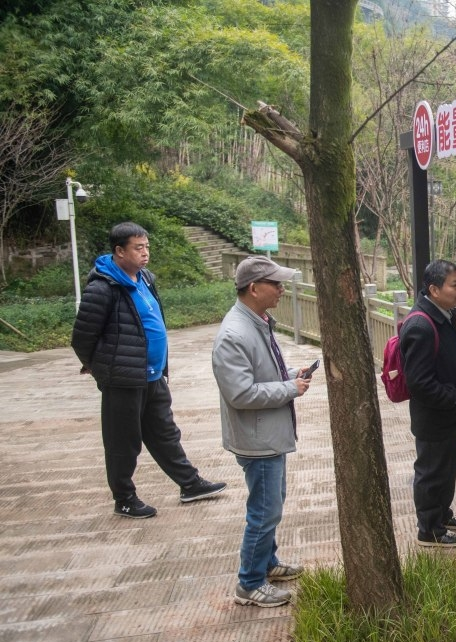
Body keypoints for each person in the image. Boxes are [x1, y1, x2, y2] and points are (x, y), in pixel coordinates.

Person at [71, 222, 226, 519]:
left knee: (165, 433)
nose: (145, 253)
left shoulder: (145, 279)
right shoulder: (103, 288)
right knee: (123, 442)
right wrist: (102, 369)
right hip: (124, 379)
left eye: (147, 247)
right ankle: (125, 499)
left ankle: (190, 484)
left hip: (153, 376)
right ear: (119, 251)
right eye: (138, 248)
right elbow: (81, 337)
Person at [212, 255, 313, 608]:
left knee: (272, 503)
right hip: (257, 438)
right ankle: (250, 583)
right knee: (265, 511)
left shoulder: (256, 322)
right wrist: (289, 389)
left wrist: (289, 375)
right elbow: (240, 393)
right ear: (254, 288)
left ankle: (267, 563)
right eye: (276, 284)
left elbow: (259, 374)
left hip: (268, 433)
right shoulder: (234, 334)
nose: (282, 290)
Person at [399, 259, 456, 548]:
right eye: (454, 285)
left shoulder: (442, 314)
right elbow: (419, 382)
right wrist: (455, 398)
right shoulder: (422, 324)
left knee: (447, 468)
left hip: (449, 415)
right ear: (434, 289)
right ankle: (429, 530)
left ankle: (442, 515)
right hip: (435, 417)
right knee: (432, 473)